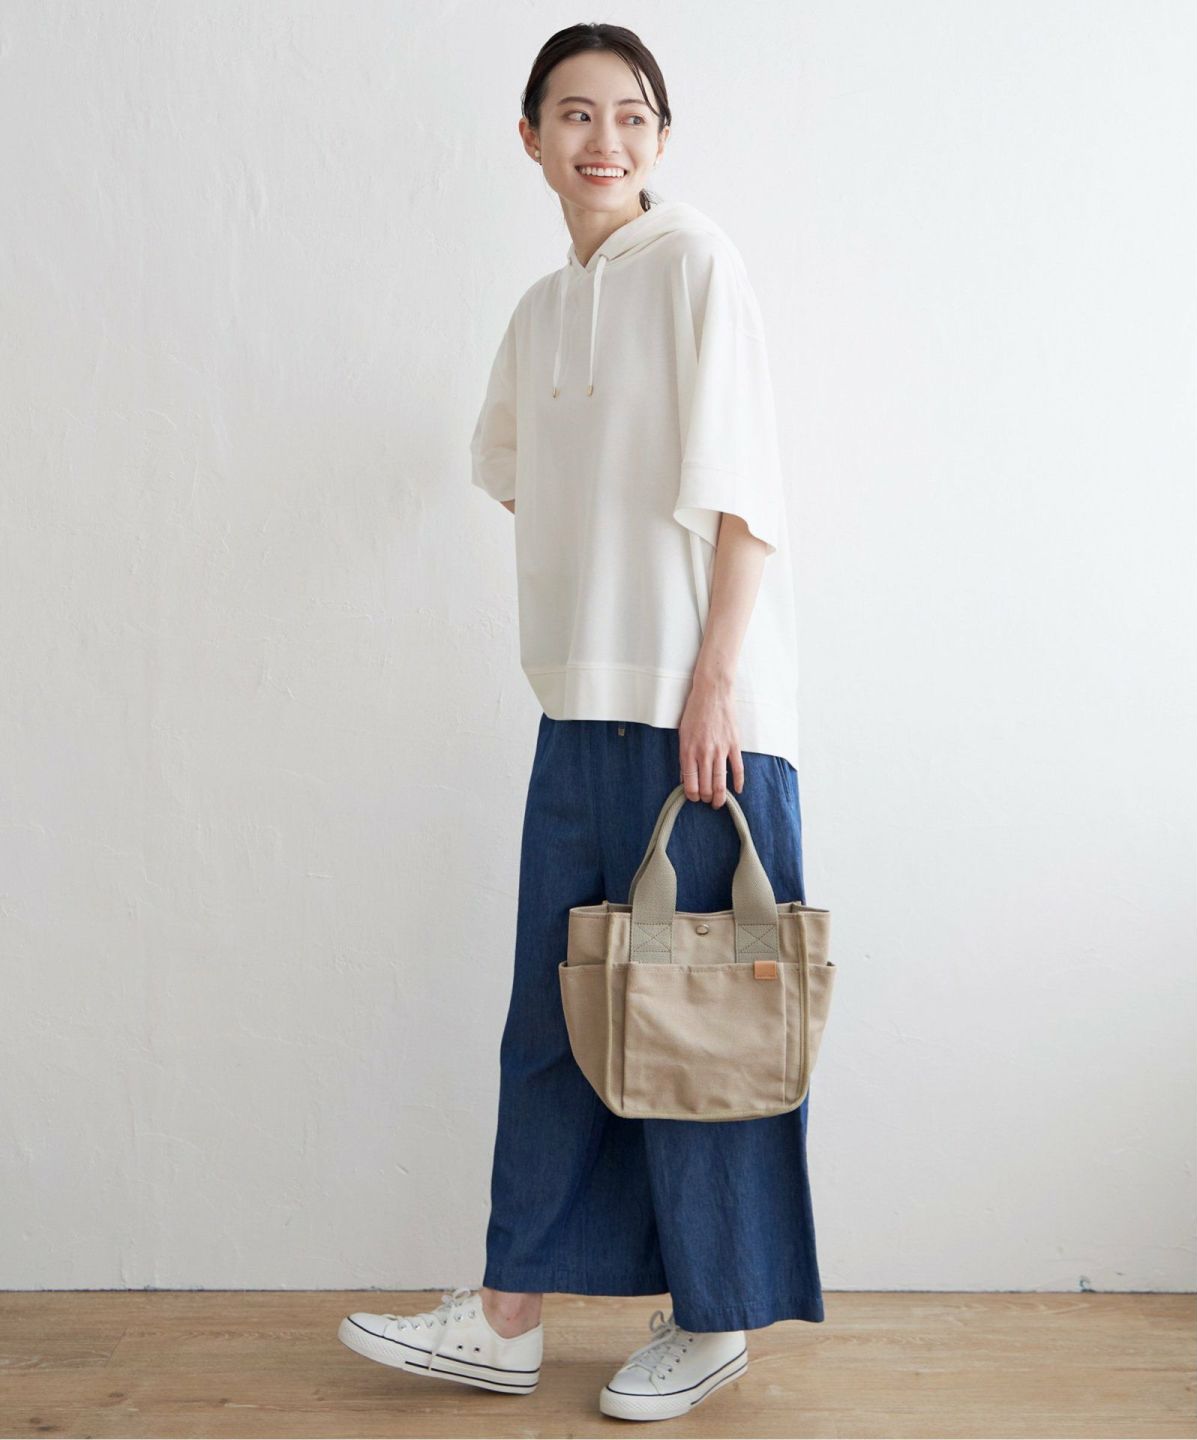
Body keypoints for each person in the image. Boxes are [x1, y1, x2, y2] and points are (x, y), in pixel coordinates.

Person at [339, 22, 824, 1424]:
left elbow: (750, 498)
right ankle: (508, 1316)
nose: (602, 139)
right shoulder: (540, 313)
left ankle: (711, 1320)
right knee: (555, 1023)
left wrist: (713, 679)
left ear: (660, 139)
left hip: (700, 723)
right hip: (578, 716)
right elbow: (512, 469)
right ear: (532, 139)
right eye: (573, 114)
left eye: (630, 115)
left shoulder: (699, 265)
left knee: (702, 1025)